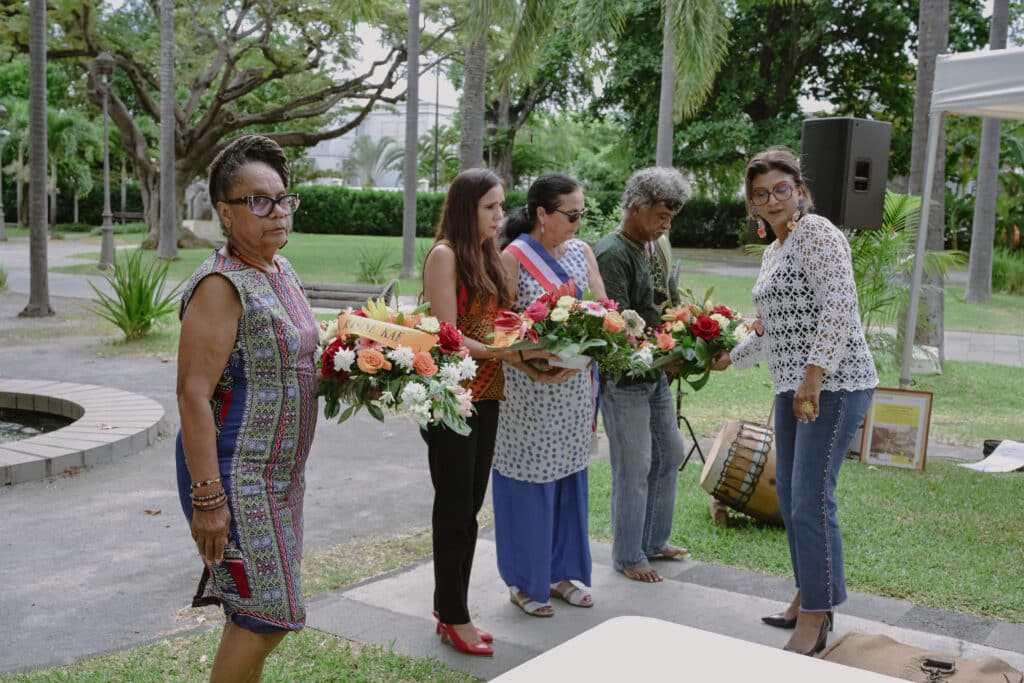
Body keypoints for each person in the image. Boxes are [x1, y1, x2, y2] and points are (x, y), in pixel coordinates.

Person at [711, 146, 877, 656]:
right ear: (752, 204)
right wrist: (729, 358)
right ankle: (808, 591)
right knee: (789, 494)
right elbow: (775, 331)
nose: (773, 199)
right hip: (792, 386)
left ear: (799, 190)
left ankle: (817, 614)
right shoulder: (774, 250)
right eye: (761, 194)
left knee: (811, 498)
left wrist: (813, 376)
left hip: (835, 382)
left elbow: (839, 310)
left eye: (782, 189)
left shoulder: (818, 234)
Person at [175, 134, 316, 682]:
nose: (277, 212)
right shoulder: (220, 284)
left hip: (283, 478)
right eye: (259, 201)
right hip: (237, 479)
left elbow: (295, 363)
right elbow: (192, 393)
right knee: (268, 616)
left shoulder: (280, 271)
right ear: (224, 213)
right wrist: (207, 499)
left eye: (283, 198)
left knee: (254, 615)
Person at [421, 168, 553, 656]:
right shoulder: (445, 255)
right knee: (455, 508)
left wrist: (536, 359)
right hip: (451, 396)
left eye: (501, 206)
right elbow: (446, 337)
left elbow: (500, 328)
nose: (501, 215)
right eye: (490, 207)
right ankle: (456, 616)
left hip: (489, 392)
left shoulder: (487, 255)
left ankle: (447, 607)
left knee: (470, 507)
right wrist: (511, 355)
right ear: (465, 208)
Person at [493, 173, 607, 617]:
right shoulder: (513, 257)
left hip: (575, 390)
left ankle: (561, 574)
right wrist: (533, 361)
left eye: (582, 212)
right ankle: (524, 581)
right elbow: (499, 328)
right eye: (571, 213)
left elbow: (604, 309)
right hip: (529, 393)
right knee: (529, 484)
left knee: (568, 481)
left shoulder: (582, 252)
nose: (579, 221)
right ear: (542, 213)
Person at [593, 167, 691, 584]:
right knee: (634, 467)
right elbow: (618, 326)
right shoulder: (613, 252)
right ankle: (629, 555)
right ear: (635, 205)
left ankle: (653, 542)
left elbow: (670, 302)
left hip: (654, 373)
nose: (665, 225)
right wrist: (663, 354)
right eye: (660, 216)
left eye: (670, 218)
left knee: (669, 453)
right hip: (626, 378)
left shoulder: (656, 246)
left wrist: (689, 336)